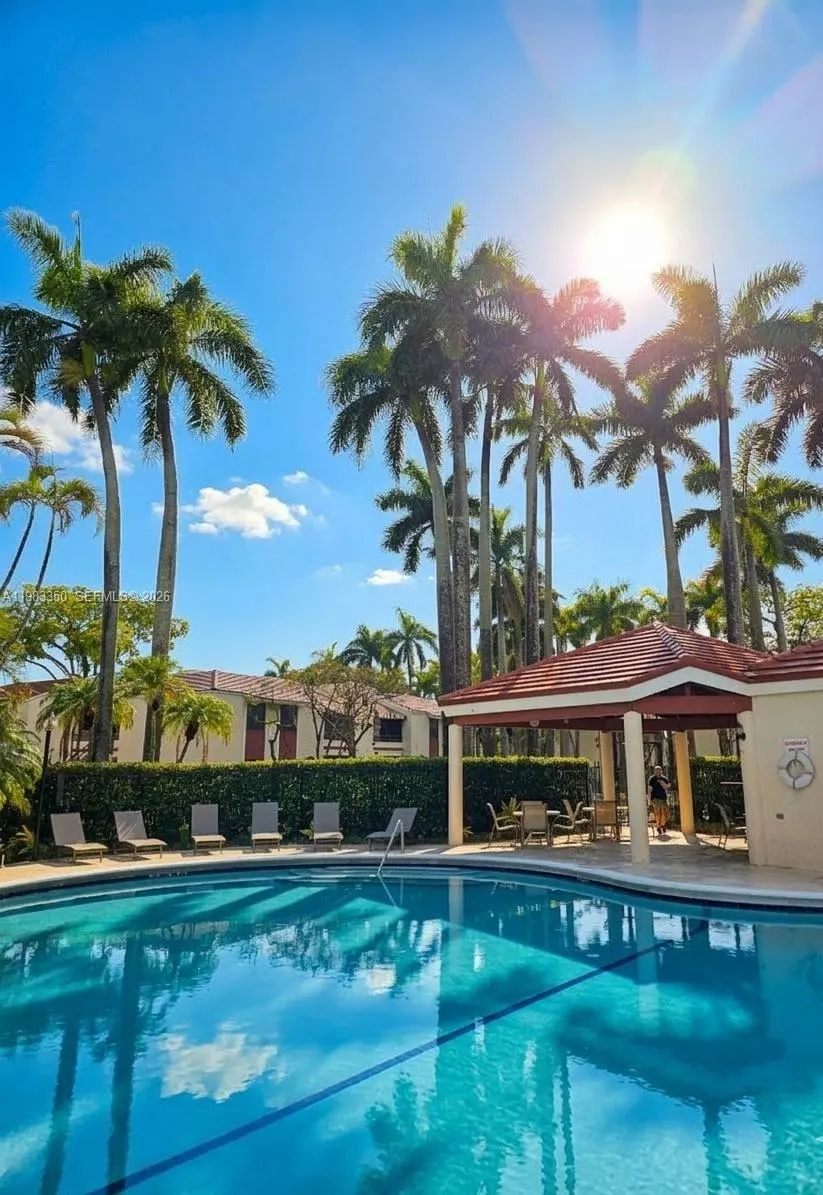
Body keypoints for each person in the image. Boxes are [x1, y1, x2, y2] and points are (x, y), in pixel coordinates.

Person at [647, 765, 670, 838]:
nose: (658, 772)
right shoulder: (652, 779)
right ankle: (658, 827)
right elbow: (649, 790)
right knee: (658, 813)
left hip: (663, 798)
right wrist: (649, 800)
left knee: (664, 813)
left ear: (661, 771)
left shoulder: (664, 778)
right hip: (655, 799)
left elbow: (667, 787)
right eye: (656, 771)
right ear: (655, 771)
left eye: (659, 771)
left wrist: (662, 783)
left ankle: (663, 825)